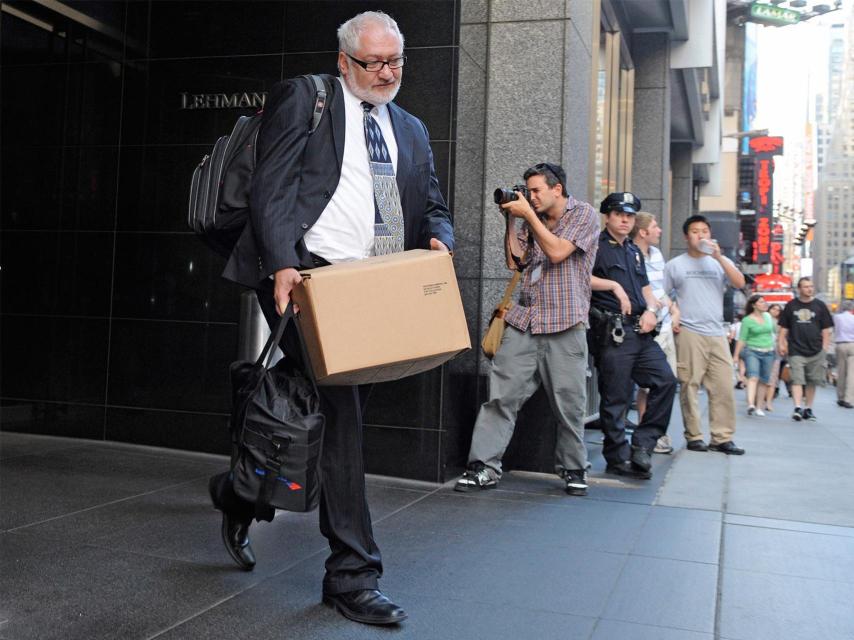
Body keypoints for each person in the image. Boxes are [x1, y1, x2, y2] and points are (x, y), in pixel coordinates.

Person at [209, 11, 454, 626]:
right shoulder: (307, 97)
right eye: (373, 62)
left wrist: (440, 239)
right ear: (344, 61)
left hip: (373, 287)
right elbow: (272, 184)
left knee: (325, 411)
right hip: (308, 275)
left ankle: (240, 489)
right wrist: (281, 265)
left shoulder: (412, 127)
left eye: (396, 61)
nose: (387, 73)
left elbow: (432, 202)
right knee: (341, 415)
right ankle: (352, 573)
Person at [454, 163, 599, 496]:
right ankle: (483, 466)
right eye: (527, 191)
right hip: (525, 321)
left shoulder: (584, 215)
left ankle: (574, 468)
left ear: (557, 189)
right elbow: (515, 262)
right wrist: (512, 220)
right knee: (500, 398)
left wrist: (529, 218)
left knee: (569, 402)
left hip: (565, 322)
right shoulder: (530, 218)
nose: (530, 197)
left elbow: (559, 251)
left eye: (536, 191)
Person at [588, 193, 677, 479]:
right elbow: (579, 276)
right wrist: (613, 285)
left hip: (641, 330)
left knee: (665, 380)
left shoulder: (634, 251)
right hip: (612, 331)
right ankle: (618, 458)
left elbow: (645, 287)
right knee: (616, 397)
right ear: (607, 216)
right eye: (618, 214)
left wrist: (652, 310)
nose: (625, 219)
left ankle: (643, 444)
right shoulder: (595, 246)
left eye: (629, 215)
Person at [664, 215, 746, 455]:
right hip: (689, 331)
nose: (700, 235)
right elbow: (661, 293)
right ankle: (694, 435)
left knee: (724, 386)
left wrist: (719, 256)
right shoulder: (675, 265)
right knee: (689, 385)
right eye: (695, 231)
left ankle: (722, 437)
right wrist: (674, 313)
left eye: (704, 231)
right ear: (686, 236)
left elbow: (740, 283)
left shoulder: (719, 262)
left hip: (717, 332)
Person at [629, 212, 679, 454]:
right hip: (648, 329)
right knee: (649, 386)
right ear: (643, 232)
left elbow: (660, 290)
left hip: (666, 326)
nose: (659, 230)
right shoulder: (631, 255)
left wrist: (673, 307)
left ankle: (656, 432)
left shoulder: (657, 255)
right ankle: (646, 433)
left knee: (667, 381)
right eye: (655, 226)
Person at [778, 278, 833, 422]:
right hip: (796, 348)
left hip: (816, 350)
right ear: (799, 289)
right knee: (797, 379)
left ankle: (808, 409)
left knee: (811, 381)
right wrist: (781, 343)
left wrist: (824, 349)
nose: (809, 289)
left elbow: (826, 329)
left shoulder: (820, 305)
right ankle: (797, 408)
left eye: (811, 286)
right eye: (806, 287)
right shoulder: (791, 305)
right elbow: (784, 327)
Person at [732, 295, 775, 416]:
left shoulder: (768, 316)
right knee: (753, 377)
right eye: (761, 302)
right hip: (752, 351)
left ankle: (759, 407)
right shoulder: (747, 320)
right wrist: (736, 355)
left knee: (764, 380)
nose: (764, 304)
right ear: (754, 305)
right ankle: (751, 404)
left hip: (768, 351)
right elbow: (742, 339)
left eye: (764, 302)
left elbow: (773, 332)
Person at [834, 300, 854, 408]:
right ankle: (848, 399)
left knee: (841, 372)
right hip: (852, 345)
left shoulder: (837, 317)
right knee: (852, 374)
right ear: (852, 308)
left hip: (840, 344)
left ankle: (840, 397)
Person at [764, 303, 784, 411]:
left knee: (773, 378)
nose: (775, 311)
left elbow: (783, 337)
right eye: (773, 309)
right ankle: (759, 400)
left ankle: (768, 402)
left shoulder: (781, 324)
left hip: (775, 351)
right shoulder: (762, 319)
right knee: (762, 377)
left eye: (778, 310)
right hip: (761, 349)